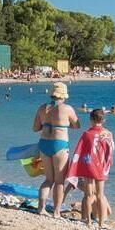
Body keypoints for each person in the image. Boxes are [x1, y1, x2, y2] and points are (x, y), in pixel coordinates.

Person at [32, 82, 79, 216]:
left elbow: (35, 128)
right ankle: (56, 211)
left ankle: (41, 208)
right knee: (59, 181)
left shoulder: (42, 108)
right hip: (59, 144)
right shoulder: (67, 108)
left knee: (48, 179)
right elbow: (77, 125)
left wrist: (47, 124)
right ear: (63, 95)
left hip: (44, 143)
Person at [67, 109, 115, 227]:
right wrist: (108, 163)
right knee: (100, 195)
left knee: (88, 195)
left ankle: (88, 221)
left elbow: (80, 150)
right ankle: (101, 223)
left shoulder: (87, 134)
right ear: (104, 120)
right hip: (101, 167)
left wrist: (76, 166)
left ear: (91, 120)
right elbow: (110, 150)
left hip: (89, 166)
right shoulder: (108, 134)